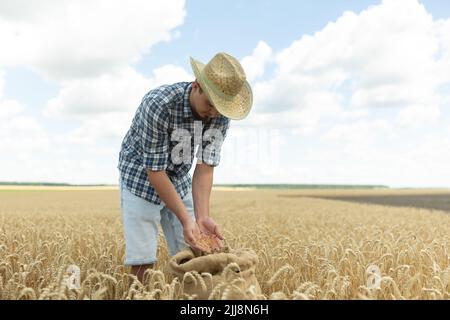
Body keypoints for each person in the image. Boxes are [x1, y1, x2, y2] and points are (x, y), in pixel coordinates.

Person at [117, 52, 253, 282]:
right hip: (140, 176)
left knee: (191, 252)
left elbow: (205, 166)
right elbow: (155, 171)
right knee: (143, 258)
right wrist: (186, 219)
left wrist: (201, 217)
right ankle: (138, 294)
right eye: (211, 103)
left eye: (221, 108)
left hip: (178, 178)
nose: (214, 113)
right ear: (196, 85)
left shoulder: (219, 115)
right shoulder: (158, 103)